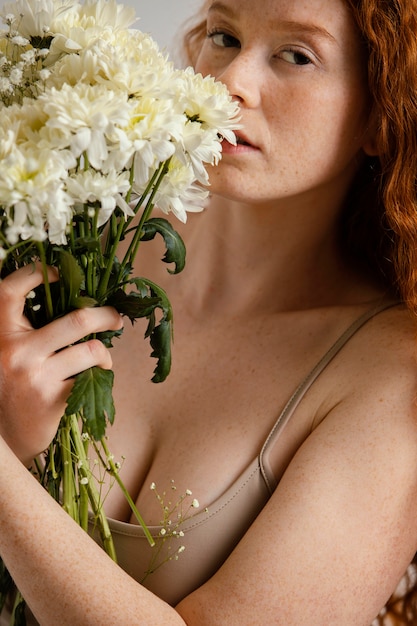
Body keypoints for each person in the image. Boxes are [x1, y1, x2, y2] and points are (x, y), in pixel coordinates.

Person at [1, 0, 417, 624]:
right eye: (224, 36)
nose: (228, 83)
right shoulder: (65, 224)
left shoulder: (393, 381)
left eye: (296, 56)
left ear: (382, 116)